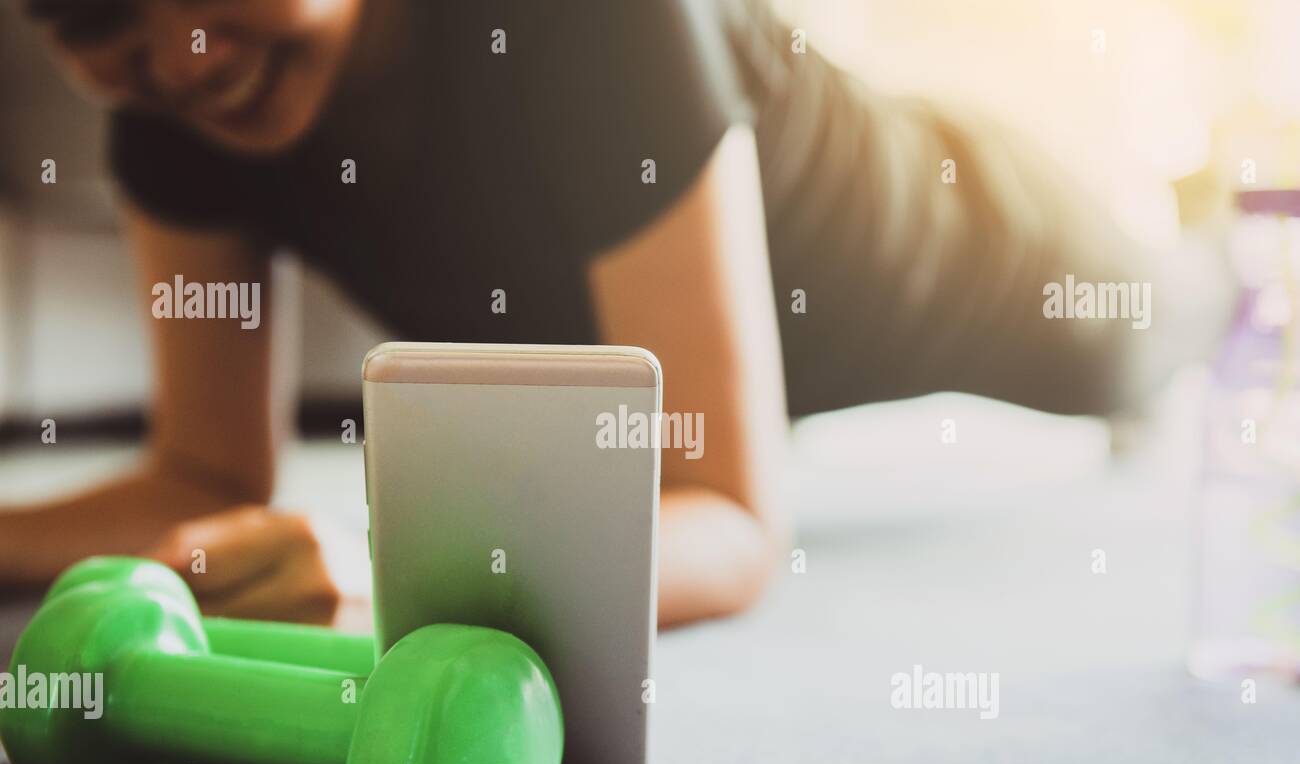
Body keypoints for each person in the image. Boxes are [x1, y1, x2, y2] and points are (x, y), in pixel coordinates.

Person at [1, 0, 1194, 626]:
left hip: (980, 244)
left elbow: (725, 511)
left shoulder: (598, 13)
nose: (176, 53)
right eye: (89, 17)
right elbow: (205, 477)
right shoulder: (166, 114)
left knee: (1170, 320)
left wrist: (392, 581)